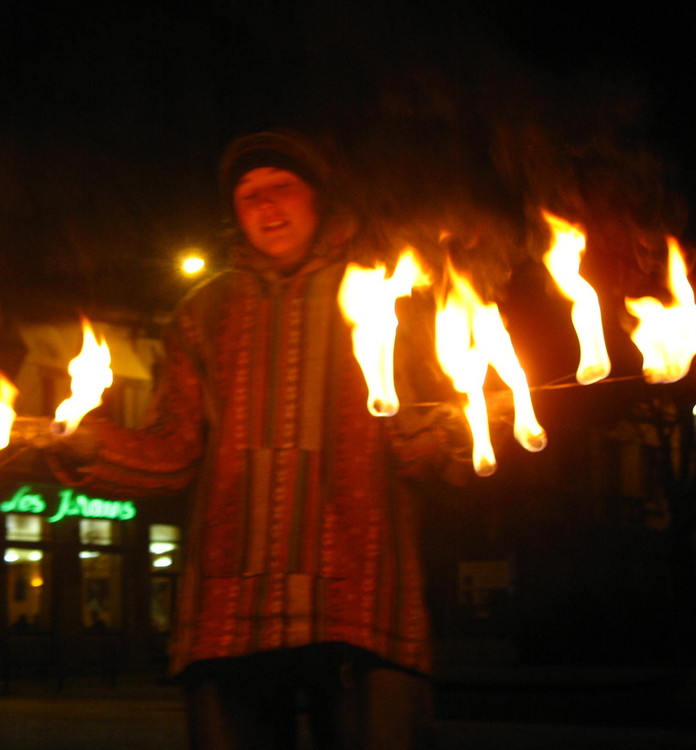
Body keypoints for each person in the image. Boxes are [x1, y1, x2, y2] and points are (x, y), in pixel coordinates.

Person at [51, 130, 460, 749]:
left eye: (282, 189)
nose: (267, 208)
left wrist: (448, 437)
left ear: (319, 198)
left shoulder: (391, 299)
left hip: (360, 602)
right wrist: (90, 449)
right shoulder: (204, 312)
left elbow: (441, 438)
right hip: (231, 614)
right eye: (249, 196)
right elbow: (174, 454)